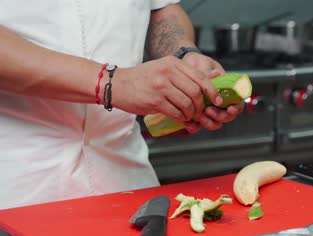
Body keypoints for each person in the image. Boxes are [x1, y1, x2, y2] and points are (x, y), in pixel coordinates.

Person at [0, 0, 244, 209]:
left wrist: (183, 55)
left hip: (129, 182)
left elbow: (162, 10)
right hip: (18, 189)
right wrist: (113, 83)